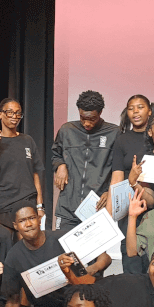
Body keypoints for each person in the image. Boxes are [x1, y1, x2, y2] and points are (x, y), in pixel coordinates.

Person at [1, 205, 111, 307]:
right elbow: (13, 301)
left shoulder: (62, 238)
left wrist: (92, 268)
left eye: (32, 218)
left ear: (39, 219)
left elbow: (105, 257)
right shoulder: (13, 256)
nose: (28, 224)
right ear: (15, 226)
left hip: (78, 306)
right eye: (22, 221)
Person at [101, 94, 154, 274]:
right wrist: (108, 217)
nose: (135, 112)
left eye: (140, 107)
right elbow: (116, 178)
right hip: (129, 208)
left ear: (149, 111)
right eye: (131, 108)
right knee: (131, 260)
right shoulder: (122, 140)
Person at [51, 90, 120, 230]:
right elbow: (55, 154)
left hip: (97, 208)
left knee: (96, 245)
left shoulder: (114, 133)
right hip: (67, 207)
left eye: (92, 119)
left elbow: (120, 168)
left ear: (100, 113)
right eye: (82, 118)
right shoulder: (67, 130)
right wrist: (60, 165)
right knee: (61, 244)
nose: (86, 123)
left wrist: (110, 191)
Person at [0, 98, 46, 236]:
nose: (15, 116)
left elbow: (35, 175)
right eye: (10, 112)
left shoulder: (27, 140)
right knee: (3, 245)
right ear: (0, 114)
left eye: (18, 113)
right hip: (1, 207)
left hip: (26, 204)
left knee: (27, 245)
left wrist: (39, 206)